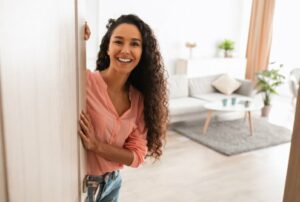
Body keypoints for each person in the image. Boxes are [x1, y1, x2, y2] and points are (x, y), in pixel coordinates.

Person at [78, 14, 168, 202]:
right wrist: (75, 37)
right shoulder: (84, 82)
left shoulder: (139, 100)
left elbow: (136, 156)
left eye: (135, 44)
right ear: (108, 48)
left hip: (113, 183)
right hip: (82, 186)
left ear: (143, 52)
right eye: (118, 42)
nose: (126, 50)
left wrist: (96, 145)